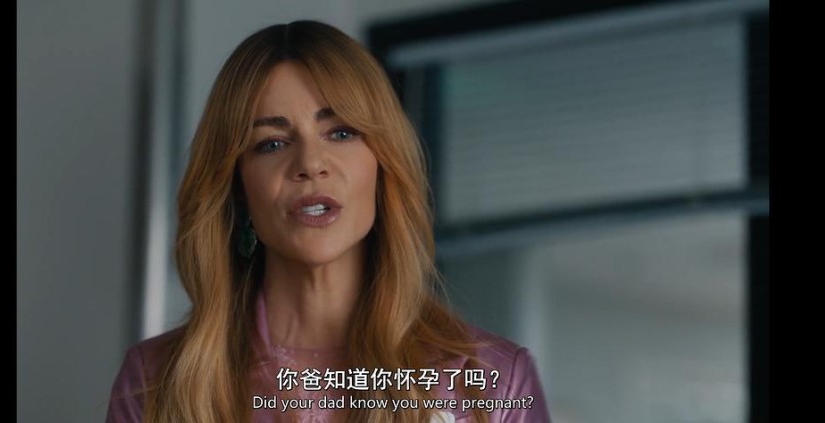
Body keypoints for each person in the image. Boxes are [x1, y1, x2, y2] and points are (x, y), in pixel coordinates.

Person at [106, 20, 549, 423]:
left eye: (341, 133)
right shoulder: (155, 382)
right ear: (238, 187)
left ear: (383, 163)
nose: (310, 164)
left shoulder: (494, 383)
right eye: (272, 143)